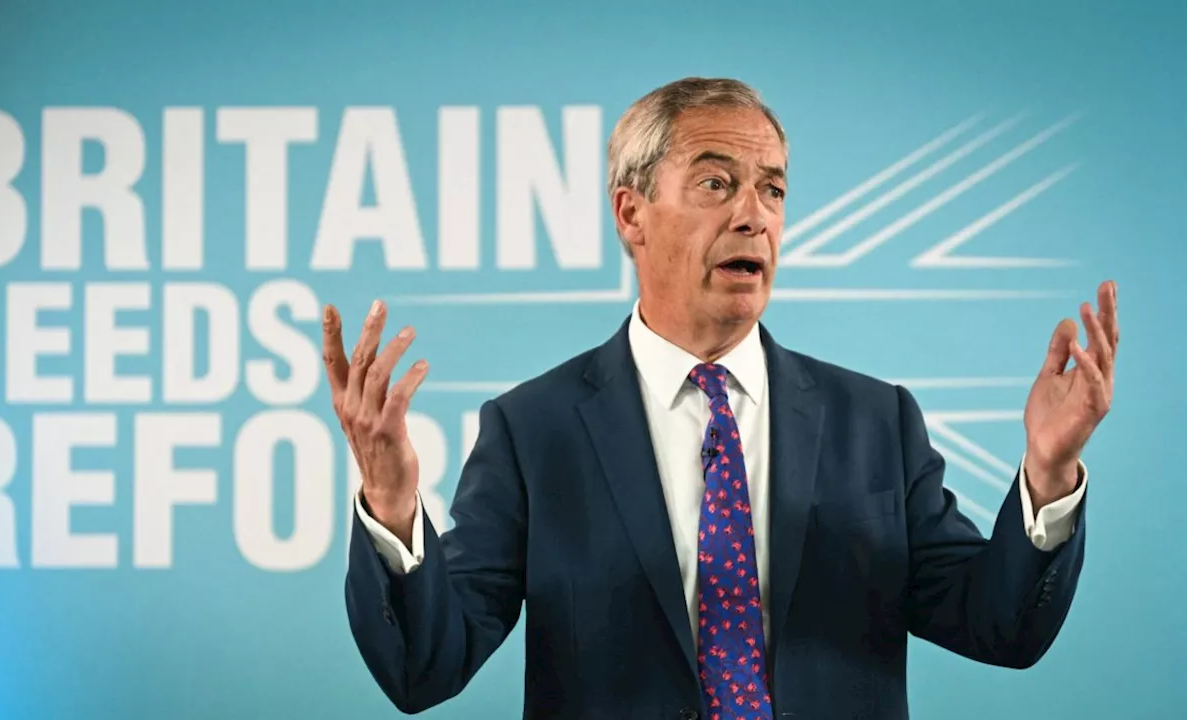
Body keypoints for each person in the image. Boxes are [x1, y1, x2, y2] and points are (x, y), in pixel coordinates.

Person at [323, 77, 1118, 720]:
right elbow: (425, 668)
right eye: (716, 182)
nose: (753, 215)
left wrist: (1047, 476)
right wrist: (392, 504)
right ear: (630, 213)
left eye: (772, 190)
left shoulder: (876, 423)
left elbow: (1001, 628)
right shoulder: (534, 431)